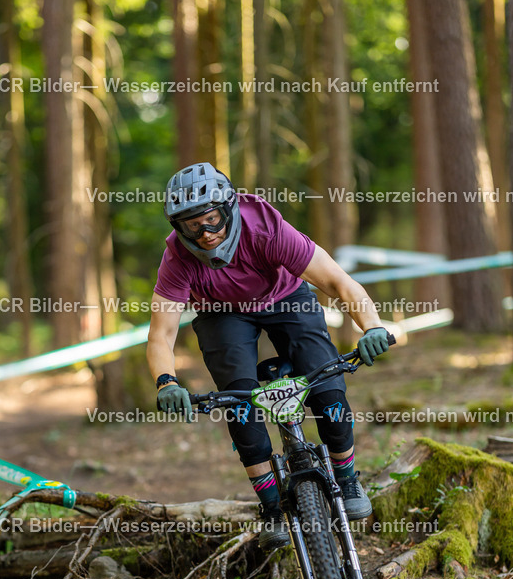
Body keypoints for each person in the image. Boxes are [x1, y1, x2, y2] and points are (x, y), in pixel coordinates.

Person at [146, 162, 390, 551]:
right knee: (239, 400)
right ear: (178, 226)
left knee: (327, 388)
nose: (205, 234)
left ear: (227, 209)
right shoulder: (177, 257)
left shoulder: (264, 226)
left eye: (211, 220)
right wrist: (166, 381)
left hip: (285, 298)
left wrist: (372, 326)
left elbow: (338, 282)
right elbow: (162, 333)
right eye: (192, 226)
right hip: (220, 313)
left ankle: (346, 479)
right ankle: (272, 506)